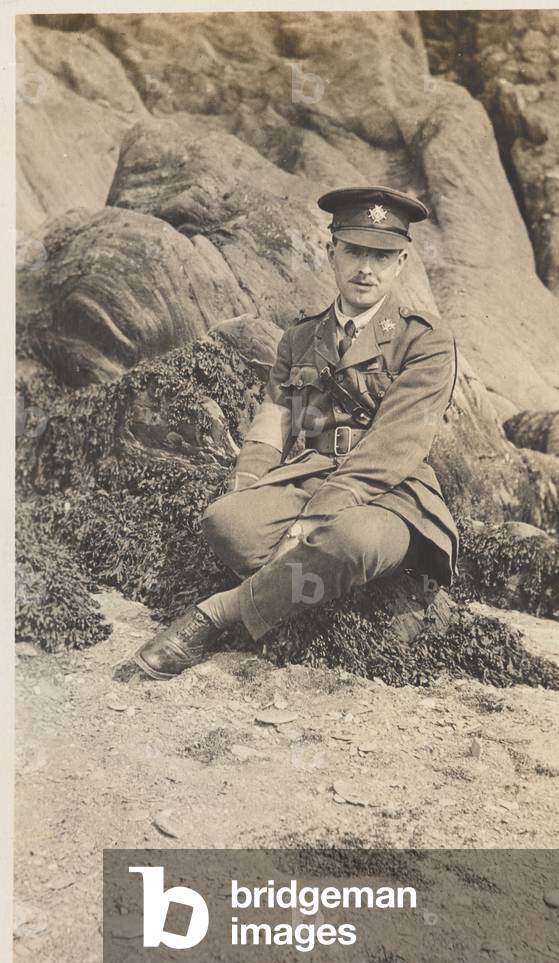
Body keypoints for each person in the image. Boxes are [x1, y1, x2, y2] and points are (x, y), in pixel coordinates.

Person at [133, 186, 458, 680]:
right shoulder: (301, 337)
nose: (365, 268)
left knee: (351, 539)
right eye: (354, 251)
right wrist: (250, 485)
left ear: (402, 262)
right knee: (227, 522)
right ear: (332, 253)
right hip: (309, 475)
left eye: (382, 255)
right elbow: (275, 418)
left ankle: (218, 613)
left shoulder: (425, 340)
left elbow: (398, 446)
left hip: (392, 493)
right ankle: (307, 578)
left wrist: (311, 522)